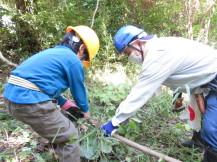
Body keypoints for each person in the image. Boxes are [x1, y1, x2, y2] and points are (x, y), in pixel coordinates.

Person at [101, 25, 217, 161]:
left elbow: (140, 92)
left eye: (128, 53)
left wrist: (114, 122)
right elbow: (173, 79)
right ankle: (197, 143)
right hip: (204, 81)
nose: (130, 57)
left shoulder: (157, 54)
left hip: (213, 79)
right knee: (198, 115)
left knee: (211, 130)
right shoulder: (159, 46)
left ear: (137, 43)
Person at [3, 25, 99, 162]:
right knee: (70, 136)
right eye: (84, 57)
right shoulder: (72, 59)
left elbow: (41, 86)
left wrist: (66, 104)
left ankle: (56, 153)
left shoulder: (52, 54)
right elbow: (79, 90)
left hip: (13, 98)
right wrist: (85, 110)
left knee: (59, 129)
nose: (81, 61)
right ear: (82, 48)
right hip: (29, 101)